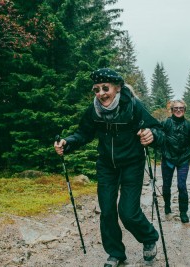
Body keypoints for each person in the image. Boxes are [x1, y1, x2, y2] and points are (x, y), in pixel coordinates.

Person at [54, 68, 164, 267]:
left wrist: (152, 135)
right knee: (107, 211)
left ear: (118, 88)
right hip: (106, 166)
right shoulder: (93, 110)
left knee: (128, 212)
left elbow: (157, 129)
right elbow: (83, 133)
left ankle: (149, 238)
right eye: (96, 89)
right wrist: (67, 143)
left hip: (132, 164)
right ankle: (116, 253)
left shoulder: (133, 106)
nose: (101, 93)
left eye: (106, 88)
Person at [160, 100, 190, 223]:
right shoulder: (165, 123)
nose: (178, 110)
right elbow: (158, 137)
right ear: (171, 110)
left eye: (181, 108)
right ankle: (167, 205)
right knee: (166, 186)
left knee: (182, 185)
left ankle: (183, 212)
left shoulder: (189, 125)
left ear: (184, 110)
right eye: (175, 108)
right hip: (168, 158)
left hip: (183, 159)